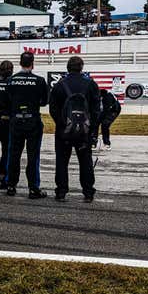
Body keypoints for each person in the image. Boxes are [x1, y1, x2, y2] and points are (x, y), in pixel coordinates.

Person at [49, 56, 100, 202]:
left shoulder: (59, 85)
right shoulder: (91, 84)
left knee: (62, 162)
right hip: (84, 131)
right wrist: (92, 128)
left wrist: (62, 124)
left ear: (67, 67)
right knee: (85, 162)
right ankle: (88, 192)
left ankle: (61, 192)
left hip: (63, 131)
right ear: (81, 67)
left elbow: (53, 109)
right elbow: (96, 110)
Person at [5, 52, 49, 199]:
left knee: (14, 154)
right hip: (32, 122)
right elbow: (44, 101)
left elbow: (8, 100)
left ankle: (11, 185)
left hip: (16, 121)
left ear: (20, 63)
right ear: (32, 64)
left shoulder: (11, 80)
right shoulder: (40, 80)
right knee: (33, 156)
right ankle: (33, 188)